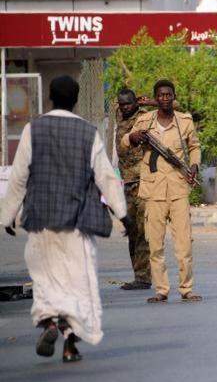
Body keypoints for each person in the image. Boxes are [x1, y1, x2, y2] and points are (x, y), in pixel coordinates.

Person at [0, 76, 127, 363]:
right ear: (76, 99)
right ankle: (70, 345)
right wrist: (123, 215)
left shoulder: (34, 130)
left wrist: (7, 216)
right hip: (76, 224)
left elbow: (19, 176)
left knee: (45, 278)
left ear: (50, 98)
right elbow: (106, 177)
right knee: (77, 284)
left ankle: (49, 323)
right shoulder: (88, 133)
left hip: (40, 219)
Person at [122, 79, 202, 304]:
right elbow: (124, 142)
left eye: (169, 95)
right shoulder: (144, 121)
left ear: (173, 97)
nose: (165, 98)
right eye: (161, 95)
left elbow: (194, 146)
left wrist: (194, 165)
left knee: (184, 244)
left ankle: (186, 289)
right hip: (154, 190)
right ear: (156, 98)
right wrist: (133, 138)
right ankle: (161, 290)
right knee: (155, 245)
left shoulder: (184, 121)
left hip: (178, 188)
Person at [115, 88, 152, 290]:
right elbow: (118, 103)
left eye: (129, 103)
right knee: (132, 231)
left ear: (136, 103)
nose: (125, 107)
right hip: (126, 183)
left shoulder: (145, 116)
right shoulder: (119, 113)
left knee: (143, 232)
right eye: (122, 104)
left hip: (142, 182)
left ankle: (144, 278)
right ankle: (138, 275)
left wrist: (151, 102)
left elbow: (174, 106)